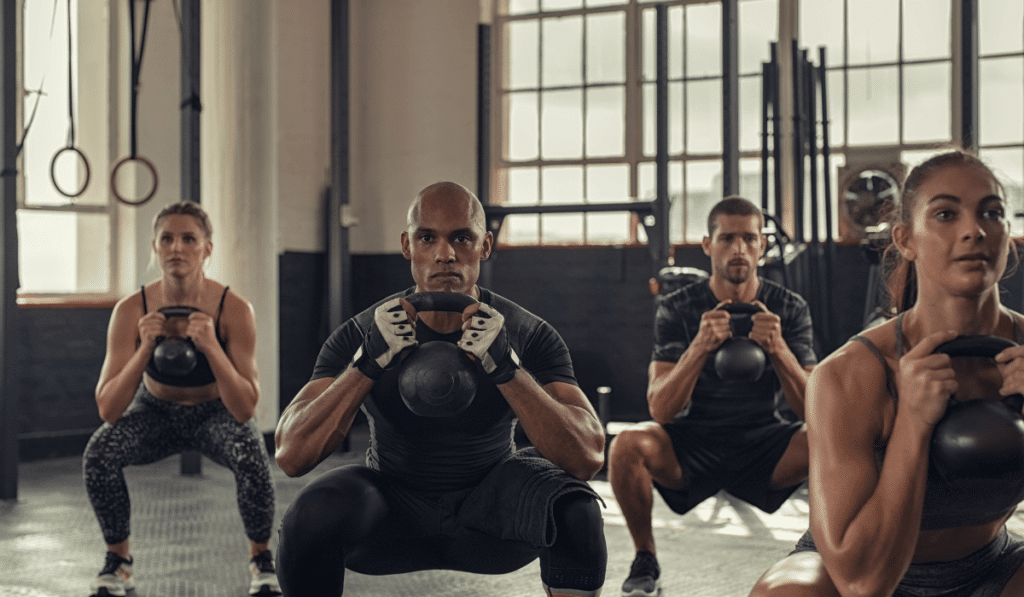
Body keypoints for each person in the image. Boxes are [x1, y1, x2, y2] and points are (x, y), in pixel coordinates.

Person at [273, 181, 608, 597]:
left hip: (492, 514)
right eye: (427, 238)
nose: (445, 254)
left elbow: (589, 455)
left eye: (461, 238)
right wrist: (366, 364)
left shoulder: (527, 333)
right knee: (311, 515)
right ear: (406, 245)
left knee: (577, 509)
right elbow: (290, 453)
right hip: (391, 513)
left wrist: (508, 369)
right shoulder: (361, 333)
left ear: (485, 245)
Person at [748, 150, 1024, 597]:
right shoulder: (848, 375)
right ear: (905, 239)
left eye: (991, 212)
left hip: (992, 566)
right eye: (945, 214)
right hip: (851, 565)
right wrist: (912, 423)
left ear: (1009, 235)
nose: (974, 230)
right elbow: (862, 581)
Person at [608, 196, 816, 597]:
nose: (738, 249)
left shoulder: (789, 309)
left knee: (830, 439)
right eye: (727, 239)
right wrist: (699, 347)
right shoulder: (677, 308)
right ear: (708, 245)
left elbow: (812, 409)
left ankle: (819, 549)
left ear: (763, 246)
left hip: (765, 442)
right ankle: (645, 557)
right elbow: (661, 408)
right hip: (693, 441)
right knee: (627, 445)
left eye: (749, 238)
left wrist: (779, 350)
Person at [83, 202, 280, 597]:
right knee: (100, 453)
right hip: (154, 411)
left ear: (207, 249)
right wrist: (145, 348)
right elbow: (108, 409)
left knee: (251, 455)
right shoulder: (130, 310)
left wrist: (212, 347)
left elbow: (245, 409)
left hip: (215, 413)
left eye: (189, 239)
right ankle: (119, 563)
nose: (177, 248)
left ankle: (261, 561)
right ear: (154, 248)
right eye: (167, 239)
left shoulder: (234, 310)